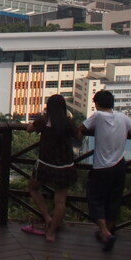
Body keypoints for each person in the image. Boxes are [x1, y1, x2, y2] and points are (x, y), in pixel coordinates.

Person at [84, 89, 131, 252]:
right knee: (113, 200)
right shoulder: (122, 117)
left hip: (102, 166)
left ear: (96, 104)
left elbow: (81, 128)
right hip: (119, 165)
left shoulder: (98, 116)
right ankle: (108, 234)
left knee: (95, 199)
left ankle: (104, 233)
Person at [21, 94, 82, 242]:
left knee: (33, 188)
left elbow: (29, 129)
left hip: (46, 165)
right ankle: (51, 232)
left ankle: (47, 217)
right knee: (60, 200)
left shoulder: (44, 121)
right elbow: (79, 137)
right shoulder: (68, 123)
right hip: (65, 166)